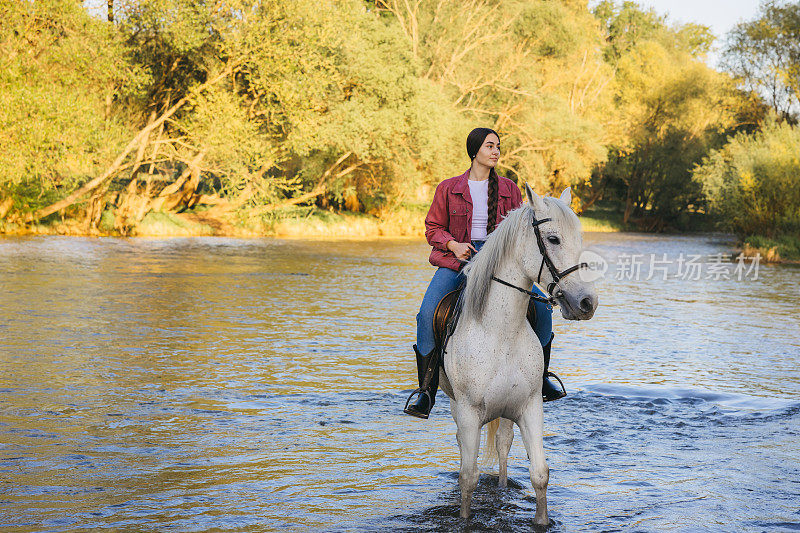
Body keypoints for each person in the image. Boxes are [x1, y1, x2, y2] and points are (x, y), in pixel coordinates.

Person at [404, 127, 565, 419]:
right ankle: (426, 391)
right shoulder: (448, 188)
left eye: (498, 147)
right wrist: (453, 244)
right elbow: (432, 228)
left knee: (544, 311)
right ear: (474, 150)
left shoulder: (509, 188)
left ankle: (541, 379)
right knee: (427, 313)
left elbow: (521, 229)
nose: (496, 151)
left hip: (500, 262)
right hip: (458, 261)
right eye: (490, 146)